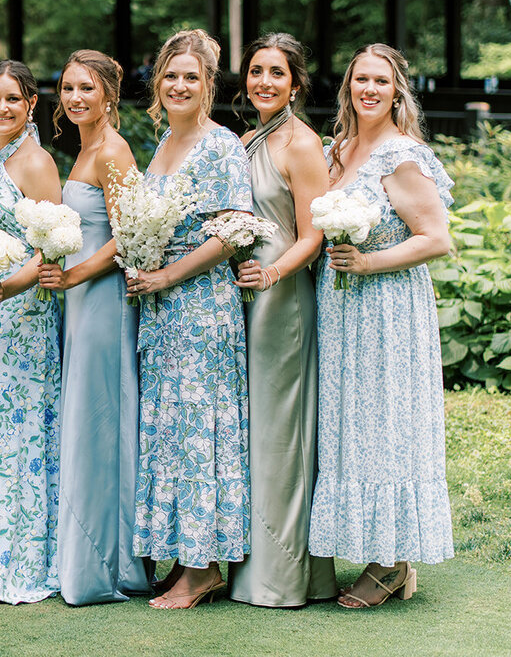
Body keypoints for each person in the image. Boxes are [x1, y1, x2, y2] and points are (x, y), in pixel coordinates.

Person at [309, 44, 454, 608]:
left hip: (389, 309)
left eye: (381, 81)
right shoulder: (337, 150)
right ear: (348, 87)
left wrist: (368, 262)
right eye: (360, 80)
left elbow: (436, 238)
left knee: (389, 426)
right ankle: (382, 553)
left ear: (397, 90)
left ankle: (393, 563)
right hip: (342, 310)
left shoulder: (401, 156)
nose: (369, 89)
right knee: (354, 428)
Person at [126, 29, 252, 609]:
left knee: (200, 428)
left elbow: (231, 231)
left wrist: (167, 275)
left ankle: (203, 569)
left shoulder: (220, 144)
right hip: (159, 307)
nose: (179, 85)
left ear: (208, 87)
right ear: (158, 83)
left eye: (191, 78)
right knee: (170, 429)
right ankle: (179, 554)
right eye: (170, 76)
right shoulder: (163, 144)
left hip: (200, 307)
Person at [37, 49, 151, 605]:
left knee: (102, 415)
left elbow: (129, 235)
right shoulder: (85, 146)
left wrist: (74, 275)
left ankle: (106, 563)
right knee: (88, 412)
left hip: (103, 299)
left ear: (108, 93)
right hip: (81, 300)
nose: (75, 98)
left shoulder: (113, 150)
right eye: (67, 88)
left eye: (86, 88)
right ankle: (87, 550)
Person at [228, 34, 337, 607]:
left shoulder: (301, 144)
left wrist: (271, 278)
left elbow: (313, 235)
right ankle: (248, 564)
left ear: (295, 83)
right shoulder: (245, 140)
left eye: (276, 73)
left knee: (281, 433)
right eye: (255, 72)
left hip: (283, 297)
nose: (263, 82)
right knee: (251, 429)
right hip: (241, 294)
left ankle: (287, 575)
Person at [0, 60, 62, 604]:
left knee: (20, 428)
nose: (1, 108)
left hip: (23, 311)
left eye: (12, 99)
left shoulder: (36, 162)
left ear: (31, 105)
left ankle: (23, 558)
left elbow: (50, 243)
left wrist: (9, 289)